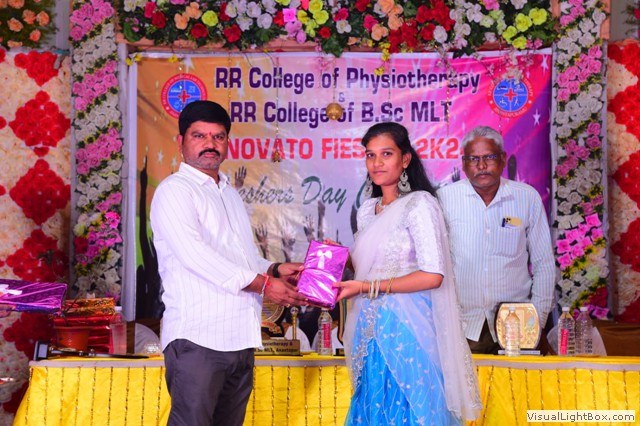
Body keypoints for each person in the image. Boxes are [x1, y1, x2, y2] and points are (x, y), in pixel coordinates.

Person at [150, 100, 308, 426]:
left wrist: (274, 269)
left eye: (218, 137)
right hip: (198, 338)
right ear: (180, 142)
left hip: (240, 337)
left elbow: (240, 258)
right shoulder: (174, 191)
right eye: (199, 136)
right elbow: (196, 255)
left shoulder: (228, 193)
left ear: (227, 143)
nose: (210, 144)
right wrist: (265, 285)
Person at [335, 122, 481, 424]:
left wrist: (366, 286)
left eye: (386, 154)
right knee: (373, 401)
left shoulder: (419, 204)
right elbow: (368, 265)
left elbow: (433, 275)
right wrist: (337, 256)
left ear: (405, 159)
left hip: (408, 325)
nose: (377, 163)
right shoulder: (368, 209)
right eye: (370, 155)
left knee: (409, 406)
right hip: (369, 323)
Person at [437, 125, 555, 354]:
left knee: (518, 379)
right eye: (474, 159)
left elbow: (544, 263)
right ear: (463, 164)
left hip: (518, 325)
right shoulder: (444, 199)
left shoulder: (526, 198)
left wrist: (536, 320)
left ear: (503, 159)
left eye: (489, 157)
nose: (481, 166)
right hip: (462, 325)